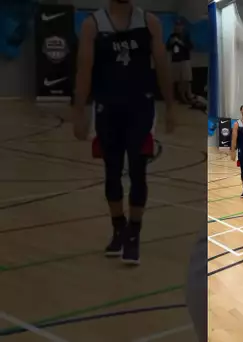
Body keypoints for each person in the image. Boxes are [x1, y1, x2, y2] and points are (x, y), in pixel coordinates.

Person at [72, 0, 175, 265]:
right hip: (107, 110)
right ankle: (119, 229)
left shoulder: (149, 22)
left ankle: (134, 235)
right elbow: (84, 69)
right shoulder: (92, 25)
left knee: (138, 172)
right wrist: (79, 112)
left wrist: (171, 107)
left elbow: (162, 65)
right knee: (112, 172)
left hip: (140, 109)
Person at [166, 18, 193, 104]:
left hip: (185, 60)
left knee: (186, 79)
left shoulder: (186, 35)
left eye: (179, 25)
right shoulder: (172, 36)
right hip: (175, 60)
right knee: (178, 79)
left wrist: (180, 42)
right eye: (176, 25)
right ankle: (181, 97)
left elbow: (190, 47)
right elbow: (167, 48)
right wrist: (171, 43)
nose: (177, 27)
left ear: (182, 26)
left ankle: (188, 95)